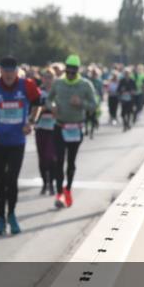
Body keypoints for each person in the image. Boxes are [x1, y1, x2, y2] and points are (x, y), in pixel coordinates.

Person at [0, 56, 42, 235]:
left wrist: (32, 122)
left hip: (17, 142)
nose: (8, 74)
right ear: (1, 71)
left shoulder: (27, 85)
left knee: (11, 180)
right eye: (5, 71)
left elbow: (38, 103)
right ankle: (0, 219)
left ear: (16, 71)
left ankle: (11, 215)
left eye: (12, 71)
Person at [47, 55, 98, 208]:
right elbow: (49, 100)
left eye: (72, 72)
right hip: (59, 126)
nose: (69, 74)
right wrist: (52, 107)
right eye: (67, 71)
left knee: (71, 163)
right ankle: (59, 194)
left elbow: (94, 105)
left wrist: (81, 103)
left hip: (75, 128)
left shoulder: (85, 85)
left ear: (77, 71)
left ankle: (68, 189)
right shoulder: (58, 83)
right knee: (58, 161)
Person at [35, 67, 58, 196]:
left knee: (52, 158)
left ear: (54, 79)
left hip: (54, 128)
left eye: (50, 77)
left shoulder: (57, 93)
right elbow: (33, 108)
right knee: (42, 158)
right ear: (42, 78)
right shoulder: (38, 92)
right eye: (46, 77)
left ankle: (52, 183)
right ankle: (45, 183)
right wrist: (41, 110)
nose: (48, 80)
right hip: (41, 128)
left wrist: (55, 110)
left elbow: (61, 109)